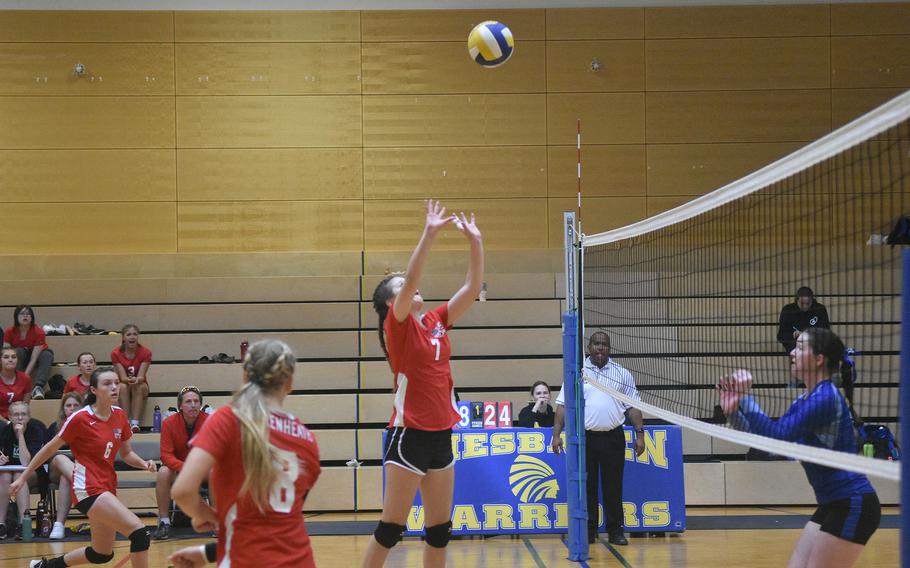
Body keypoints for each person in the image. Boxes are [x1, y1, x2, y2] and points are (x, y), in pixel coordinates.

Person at [362, 199, 483, 568]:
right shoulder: (396, 326)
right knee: (390, 528)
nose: (412, 288)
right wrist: (429, 234)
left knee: (439, 530)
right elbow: (411, 279)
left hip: (441, 433)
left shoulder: (435, 321)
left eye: (409, 286)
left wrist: (475, 242)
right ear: (391, 301)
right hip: (409, 434)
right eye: (400, 288)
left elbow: (472, 286)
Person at [718, 328, 880, 568]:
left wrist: (745, 398)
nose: (792, 352)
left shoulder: (825, 398)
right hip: (832, 503)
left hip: (852, 502)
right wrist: (733, 412)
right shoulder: (804, 399)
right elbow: (771, 445)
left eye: (801, 347)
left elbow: (778, 435)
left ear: (818, 359)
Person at [171, 339, 321, 567]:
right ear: (289, 383)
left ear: (244, 376)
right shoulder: (307, 438)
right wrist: (208, 552)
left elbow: (182, 491)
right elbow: (278, 521)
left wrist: (206, 515)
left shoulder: (228, 419)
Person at [12, 366, 157, 568]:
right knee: (140, 534)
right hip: (87, 488)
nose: (114, 387)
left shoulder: (120, 415)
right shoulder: (80, 418)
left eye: (116, 383)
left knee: (101, 554)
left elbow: (126, 454)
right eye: (107, 384)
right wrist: (22, 478)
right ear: (94, 390)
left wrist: (144, 463)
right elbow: (48, 450)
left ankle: (45, 566)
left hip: (107, 487)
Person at [552, 331, 645, 546]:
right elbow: (563, 405)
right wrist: (557, 434)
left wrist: (640, 434)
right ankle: (589, 531)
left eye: (604, 344)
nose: (600, 348)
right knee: (588, 487)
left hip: (613, 437)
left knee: (613, 487)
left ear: (609, 348)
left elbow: (632, 406)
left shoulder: (621, 373)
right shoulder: (577, 372)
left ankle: (615, 531)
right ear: (589, 347)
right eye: (596, 344)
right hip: (586, 439)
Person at [154, 385, 209, 540]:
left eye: (196, 401)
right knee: (163, 472)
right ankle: (164, 522)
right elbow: (166, 455)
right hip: (179, 472)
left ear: (200, 404)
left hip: (203, 472)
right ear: (180, 406)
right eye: (188, 401)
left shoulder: (209, 421)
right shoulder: (169, 423)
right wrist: (186, 469)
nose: (193, 405)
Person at [0, 401, 48, 540]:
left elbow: (26, 462)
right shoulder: (4, 431)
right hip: (9, 472)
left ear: (29, 416)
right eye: (16, 415)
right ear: (9, 417)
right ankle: (1, 524)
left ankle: (23, 524)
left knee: (19, 476)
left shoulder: (37, 429)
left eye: (23, 414)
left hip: (33, 471)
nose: (20, 418)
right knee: (4, 476)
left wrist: (20, 435)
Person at [44, 391, 84, 539]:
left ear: (82, 407)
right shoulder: (55, 427)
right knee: (61, 458)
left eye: (75, 405)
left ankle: (59, 525)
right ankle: (85, 484)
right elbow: (47, 453)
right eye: (68, 405)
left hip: (76, 470)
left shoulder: (89, 425)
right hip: (55, 468)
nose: (72, 408)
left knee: (66, 479)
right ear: (63, 409)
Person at [3, 305, 54, 400]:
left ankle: (38, 387)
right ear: (16, 316)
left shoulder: (39, 332)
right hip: (21, 357)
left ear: (32, 317)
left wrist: (24, 378)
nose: (25, 316)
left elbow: (34, 358)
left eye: (28, 314)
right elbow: (5, 353)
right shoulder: (9, 331)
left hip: (38, 356)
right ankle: (15, 384)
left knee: (47, 355)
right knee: (17, 352)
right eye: (22, 313)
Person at [110, 324, 152, 432]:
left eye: (135, 334)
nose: (132, 337)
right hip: (124, 385)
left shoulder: (145, 352)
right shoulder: (116, 353)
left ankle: (135, 423)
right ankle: (125, 422)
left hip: (141, 386)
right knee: (122, 387)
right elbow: (122, 377)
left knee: (137, 386)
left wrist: (136, 380)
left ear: (138, 336)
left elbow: (141, 377)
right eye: (129, 334)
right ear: (123, 337)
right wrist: (129, 380)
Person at [777, 286, 831, 352]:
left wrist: (808, 336)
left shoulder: (820, 309)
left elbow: (826, 332)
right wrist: (794, 335)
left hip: (814, 345)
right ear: (796, 300)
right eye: (802, 303)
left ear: (812, 300)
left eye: (808, 303)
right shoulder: (788, 310)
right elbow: (781, 336)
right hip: (795, 346)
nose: (805, 306)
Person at [0, 347, 32, 419]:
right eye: (6, 357)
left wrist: (18, 421)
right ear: (0, 361)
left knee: (38, 425)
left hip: (18, 418)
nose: (10, 360)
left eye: (14, 357)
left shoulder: (25, 378)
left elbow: (25, 406)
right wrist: (7, 423)